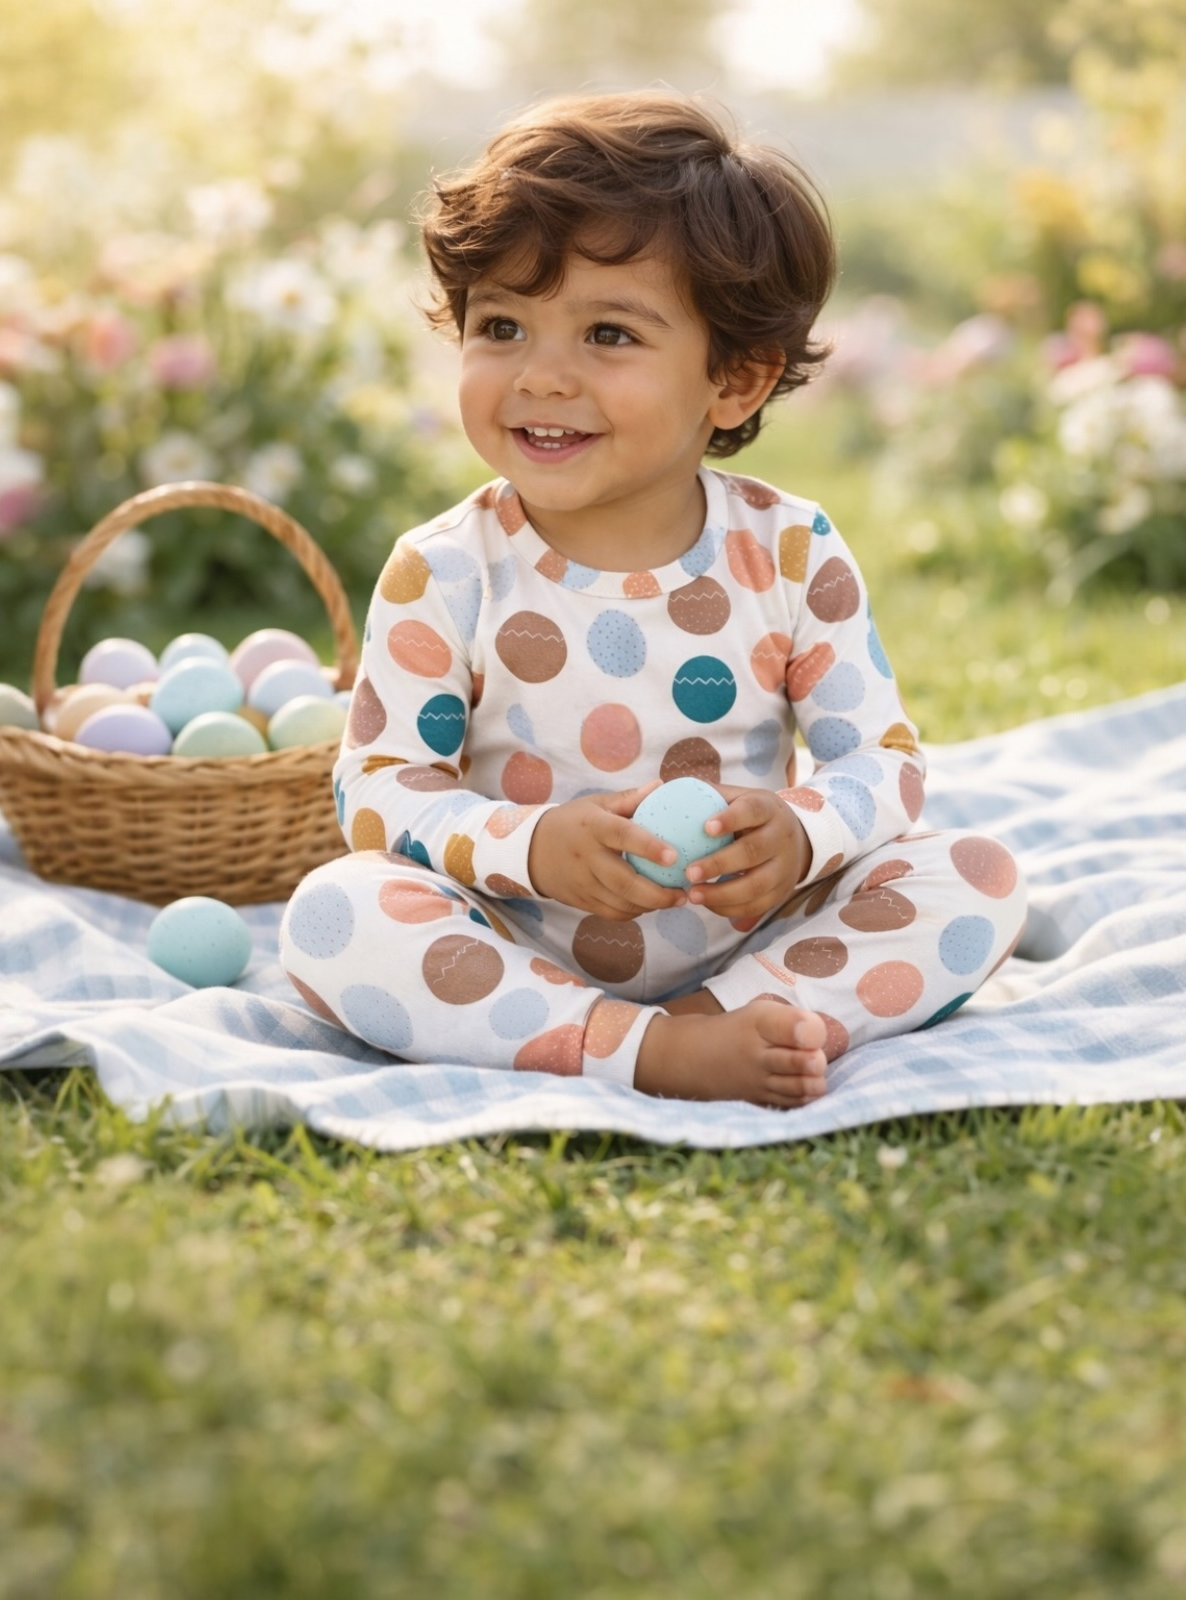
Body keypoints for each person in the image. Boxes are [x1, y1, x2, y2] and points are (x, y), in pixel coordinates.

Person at [280, 91, 1027, 1108]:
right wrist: (531, 846)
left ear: (735, 382)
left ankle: (717, 1022)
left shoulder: (790, 550)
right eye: (502, 325)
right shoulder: (445, 569)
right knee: (337, 913)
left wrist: (800, 832)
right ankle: (637, 1047)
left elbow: (881, 762)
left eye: (608, 334)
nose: (543, 376)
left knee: (975, 877)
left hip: (753, 938)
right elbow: (378, 791)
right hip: (512, 940)